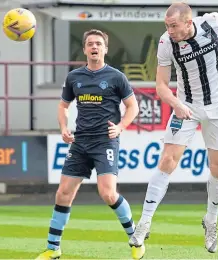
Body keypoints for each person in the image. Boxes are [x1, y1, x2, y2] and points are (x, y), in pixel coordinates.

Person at [128, 2, 218, 255]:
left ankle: (210, 221)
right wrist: (176, 104)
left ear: (189, 22)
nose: (169, 30)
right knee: (167, 160)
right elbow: (161, 85)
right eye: (167, 26)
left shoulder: (209, 24)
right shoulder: (166, 43)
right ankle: (144, 223)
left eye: (173, 26)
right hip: (185, 106)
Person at [35, 29, 143, 260]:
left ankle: (136, 238)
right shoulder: (75, 78)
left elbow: (133, 106)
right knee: (63, 193)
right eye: (90, 44)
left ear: (105, 49)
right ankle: (53, 249)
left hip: (105, 140)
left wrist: (121, 126)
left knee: (107, 193)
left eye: (98, 44)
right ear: (84, 49)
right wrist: (63, 127)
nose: (94, 47)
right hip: (80, 141)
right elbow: (63, 106)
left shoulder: (116, 77)